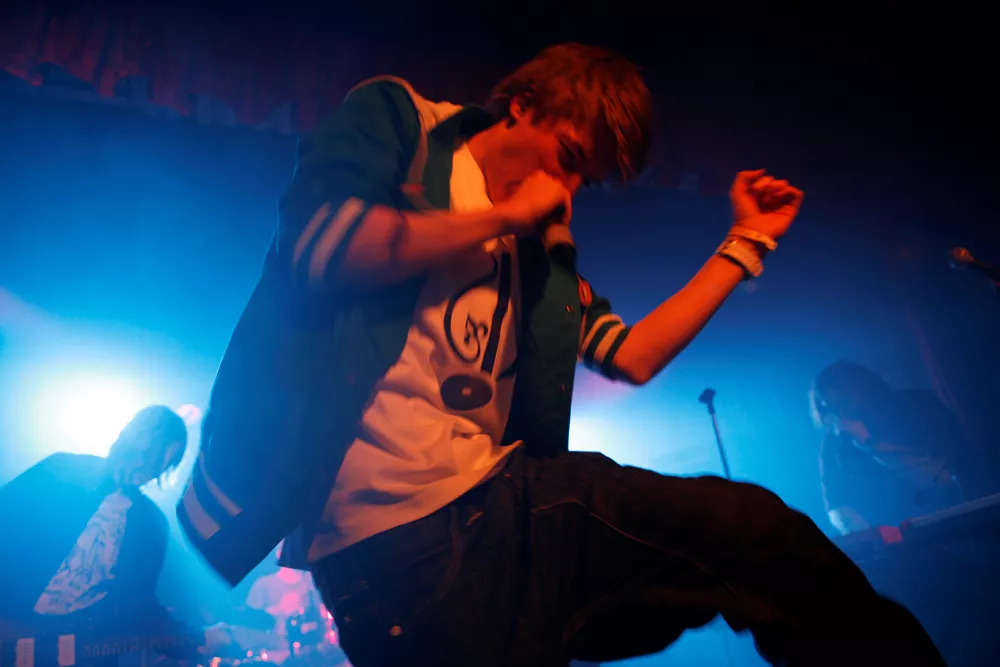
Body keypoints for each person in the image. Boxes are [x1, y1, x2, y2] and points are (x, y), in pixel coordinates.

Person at [179, 44, 944, 666]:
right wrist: (503, 216)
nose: (569, 188)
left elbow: (630, 355)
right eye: (569, 155)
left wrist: (745, 243)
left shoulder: (538, 255)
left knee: (756, 539)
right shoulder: (406, 123)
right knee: (754, 535)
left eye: (586, 178)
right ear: (522, 105)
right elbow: (323, 248)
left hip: (493, 518)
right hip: (393, 545)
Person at [0, 405, 187, 637]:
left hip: (67, 639)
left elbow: (139, 604)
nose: (156, 466)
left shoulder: (152, 525)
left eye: (168, 461)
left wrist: (193, 636)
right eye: (156, 452)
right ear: (134, 437)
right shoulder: (63, 469)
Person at [809, 360, 979, 534]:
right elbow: (837, 506)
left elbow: (943, 477)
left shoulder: (917, 405)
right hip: (895, 540)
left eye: (844, 403)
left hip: (956, 523)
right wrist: (865, 535)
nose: (840, 414)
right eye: (831, 409)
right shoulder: (834, 442)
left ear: (865, 391)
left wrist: (869, 443)